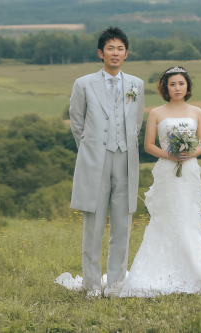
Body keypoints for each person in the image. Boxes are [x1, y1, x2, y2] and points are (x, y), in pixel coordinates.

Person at [107, 65, 201, 298]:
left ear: (188, 86)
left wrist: (191, 152)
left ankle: (197, 271)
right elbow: (149, 146)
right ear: (165, 87)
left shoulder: (197, 112)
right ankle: (153, 273)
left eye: (181, 83)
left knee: (188, 217)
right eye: (172, 84)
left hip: (189, 170)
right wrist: (170, 155)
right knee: (165, 217)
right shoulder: (156, 112)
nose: (177, 88)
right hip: (166, 170)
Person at [54, 26, 146, 298]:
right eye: (110, 48)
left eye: (120, 48)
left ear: (126, 53)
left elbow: (137, 123)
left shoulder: (136, 85)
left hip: (126, 159)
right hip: (95, 159)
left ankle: (117, 283)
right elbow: (77, 123)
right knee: (93, 224)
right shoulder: (83, 84)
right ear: (100, 53)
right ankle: (92, 284)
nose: (115, 53)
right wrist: (92, 149)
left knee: (122, 222)